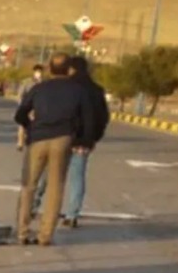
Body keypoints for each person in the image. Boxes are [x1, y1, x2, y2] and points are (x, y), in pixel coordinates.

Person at [14, 53, 94, 246]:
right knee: (55, 188)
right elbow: (87, 119)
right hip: (63, 139)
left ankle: (22, 232)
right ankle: (45, 235)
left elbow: (20, 114)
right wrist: (82, 140)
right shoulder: (78, 91)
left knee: (28, 186)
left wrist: (31, 128)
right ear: (69, 70)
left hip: (38, 139)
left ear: (49, 69)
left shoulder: (39, 88)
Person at [33, 55, 109, 227]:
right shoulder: (96, 90)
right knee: (77, 178)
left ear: (71, 69)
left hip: (59, 136)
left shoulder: (67, 88)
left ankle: (33, 206)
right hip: (82, 142)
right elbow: (102, 117)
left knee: (46, 175)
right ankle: (72, 215)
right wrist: (92, 138)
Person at [16, 64, 45, 152]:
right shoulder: (27, 82)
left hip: (38, 108)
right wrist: (22, 105)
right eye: (37, 72)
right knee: (22, 125)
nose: (38, 74)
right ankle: (20, 143)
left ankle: (33, 142)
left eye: (40, 72)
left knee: (36, 126)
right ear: (34, 72)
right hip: (27, 107)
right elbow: (20, 94)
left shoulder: (44, 83)